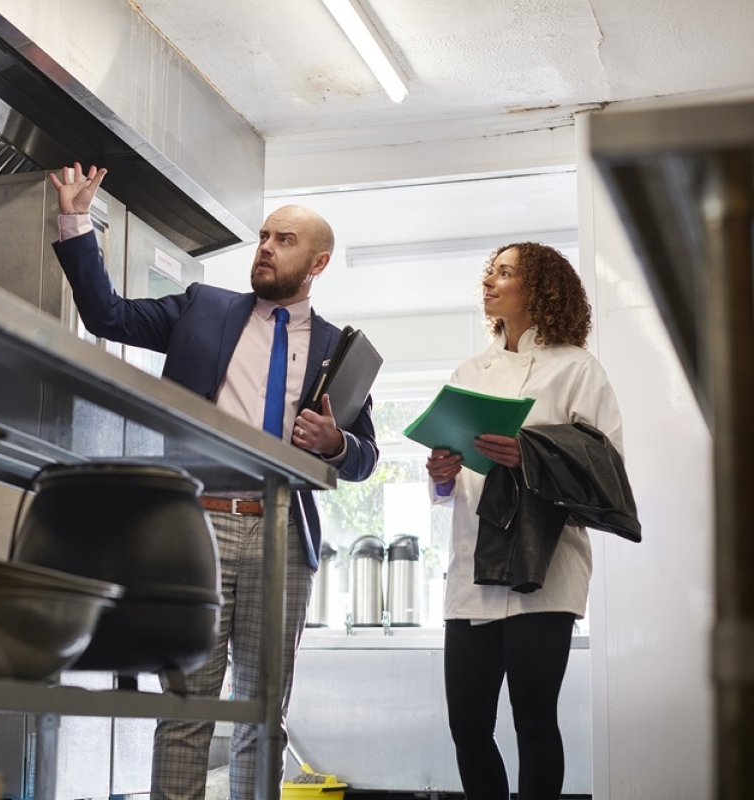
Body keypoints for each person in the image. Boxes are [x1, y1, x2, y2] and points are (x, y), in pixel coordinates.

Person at [47, 163, 378, 800]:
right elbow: (107, 315)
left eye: (283, 241)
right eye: (263, 236)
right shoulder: (204, 308)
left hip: (284, 533)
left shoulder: (341, 349)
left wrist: (336, 443)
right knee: (186, 710)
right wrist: (75, 221)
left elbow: (364, 458)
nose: (265, 248)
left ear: (319, 263)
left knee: (262, 717)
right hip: (197, 527)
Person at [425, 242, 630, 800]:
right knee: (467, 725)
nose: (490, 281)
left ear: (540, 288)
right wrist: (443, 471)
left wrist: (531, 453)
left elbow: (606, 465)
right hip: (472, 571)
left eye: (506, 272)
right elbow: (453, 485)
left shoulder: (578, 368)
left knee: (534, 722)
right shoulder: (470, 370)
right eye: (489, 271)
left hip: (546, 573)